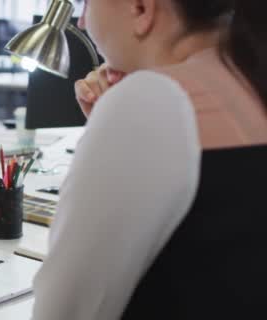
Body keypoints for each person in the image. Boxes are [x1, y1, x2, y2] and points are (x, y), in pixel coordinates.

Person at [32, 1, 266, 319]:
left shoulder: (151, 100)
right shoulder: (249, 80)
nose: (83, 22)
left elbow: (63, 311)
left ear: (142, 9)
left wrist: (118, 120)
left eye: (87, 3)